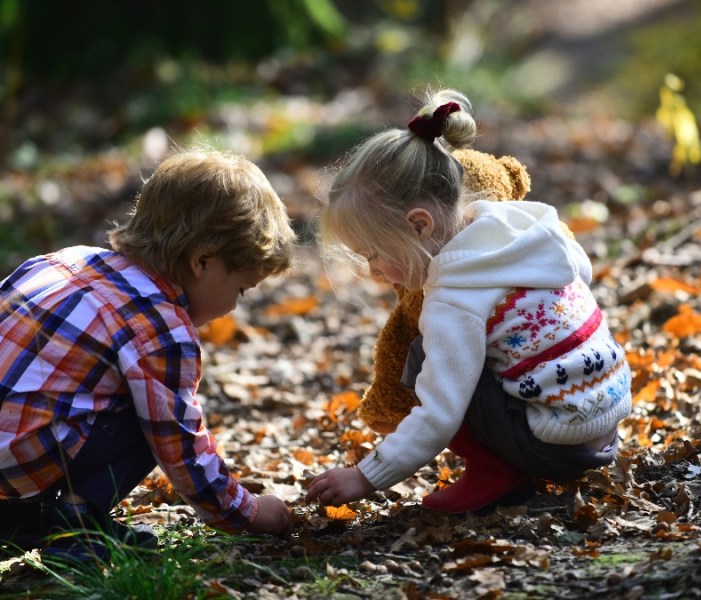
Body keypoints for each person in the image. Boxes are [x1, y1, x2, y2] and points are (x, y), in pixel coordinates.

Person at [306, 90, 632, 514]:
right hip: (608, 426)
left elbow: (440, 414)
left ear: (419, 225)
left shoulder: (454, 300)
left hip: (557, 449)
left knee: (425, 355)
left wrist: (365, 476)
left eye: (374, 253)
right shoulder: (520, 224)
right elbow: (581, 272)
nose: (373, 271)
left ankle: (497, 473)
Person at [0, 149, 296, 559]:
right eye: (240, 289)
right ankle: (74, 525)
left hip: (10, 454)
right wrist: (245, 512)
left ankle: (23, 518)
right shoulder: (161, 329)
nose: (233, 306)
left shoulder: (61, 261)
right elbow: (181, 446)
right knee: (154, 415)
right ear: (202, 262)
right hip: (18, 459)